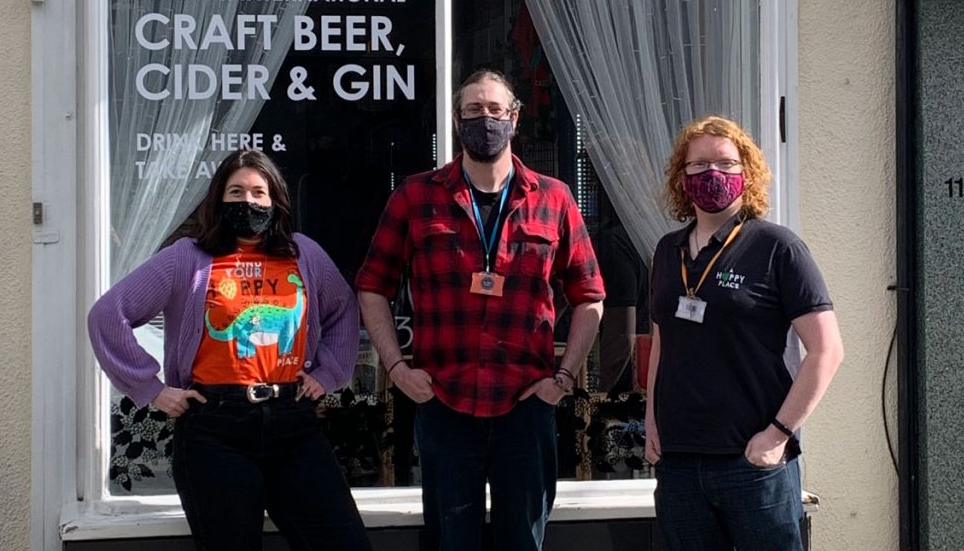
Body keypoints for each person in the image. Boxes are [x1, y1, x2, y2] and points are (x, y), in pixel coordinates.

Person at [356, 69, 605, 551]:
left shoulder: (553, 198)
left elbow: (590, 294)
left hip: (526, 407)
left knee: (523, 542)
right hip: (445, 403)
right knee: (451, 542)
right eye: (473, 110)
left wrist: (566, 376)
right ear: (456, 120)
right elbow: (372, 287)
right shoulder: (415, 196)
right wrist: (396, 368)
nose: (484, 119)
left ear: (514, 118)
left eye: (494, 110)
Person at [88, 149, 372, 551]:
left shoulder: (303, 253)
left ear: (276, 200)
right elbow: (107, 315)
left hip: (294, 424)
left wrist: (328, 373)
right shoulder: (188, 258)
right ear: (218, 200)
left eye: (259, 192)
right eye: (235, 192)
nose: (248, 201)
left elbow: (343, 309)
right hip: (215, 430)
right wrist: (151, 389)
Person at [644, 116, 844, 550]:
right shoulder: (666, 251)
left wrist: (778, 434)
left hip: (751, 463)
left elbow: (826, 350)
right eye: (697, 165)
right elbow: (664, 338)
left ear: (747, 174)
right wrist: (652, 419)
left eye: (725, 163)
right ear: (682, 177)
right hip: (678, 462)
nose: (711, 174)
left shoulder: (778, 248)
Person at [592, 189, 650, 396]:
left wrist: (600, 396)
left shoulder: (614, 243)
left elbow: (622, 330)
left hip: (626, 381)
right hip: (652, 373)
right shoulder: (650, 235)